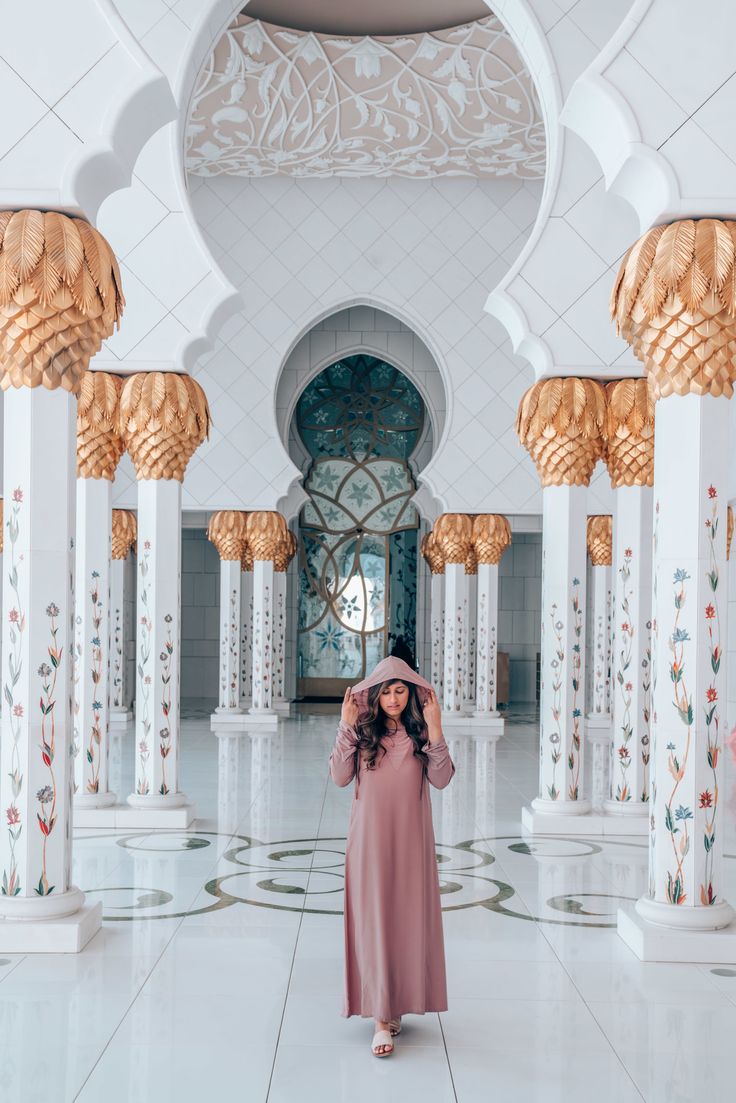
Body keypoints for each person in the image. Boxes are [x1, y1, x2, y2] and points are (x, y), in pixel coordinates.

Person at [329, 656, 455, 1058]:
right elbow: (339, 776)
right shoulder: (364, 734)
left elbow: (442, 778)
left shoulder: (420, 734)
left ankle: (393, 1002)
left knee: (404, 921)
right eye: (386, 690)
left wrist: (435, 727)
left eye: (401, 690)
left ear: (413, 693)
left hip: (411, 842)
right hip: (369, 842)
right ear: (376, 695)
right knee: (376, 920)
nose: (394, 698)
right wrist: (346, 724)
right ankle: (380, 1019)